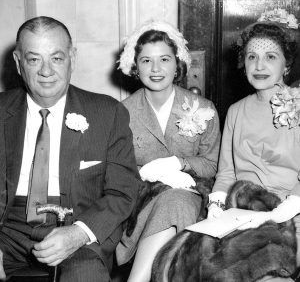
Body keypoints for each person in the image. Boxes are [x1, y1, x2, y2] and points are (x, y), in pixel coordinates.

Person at [0, 16, 139, 282]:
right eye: (34, 59)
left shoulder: (107, 113)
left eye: (57, 58)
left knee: (84, 275)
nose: (46, 71)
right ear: (18, 63)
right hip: (8, 228)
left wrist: (79, 233)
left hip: (77, 226)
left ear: (72, 58)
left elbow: (123, 191)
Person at [116, 20, 221, 282]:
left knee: (179, 200)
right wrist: (149, 173)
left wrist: (179, 163)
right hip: (139, 202)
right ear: (135, 66)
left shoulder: (203, 108)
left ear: (177, 64)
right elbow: (116, 172)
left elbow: (213, 165)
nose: (155, 69)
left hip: (194, 197)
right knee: (174, 200)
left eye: (164, 59)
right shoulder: (120, 113)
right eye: (146, 61)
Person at [208, 9, 300, 281]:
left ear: (286, 65)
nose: (259, 66)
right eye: (252, 57)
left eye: (270, 57)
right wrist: (216, 205)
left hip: (290, 209)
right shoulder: (236, 111)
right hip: (242, 209)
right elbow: (226, 172)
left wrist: (283, 210)